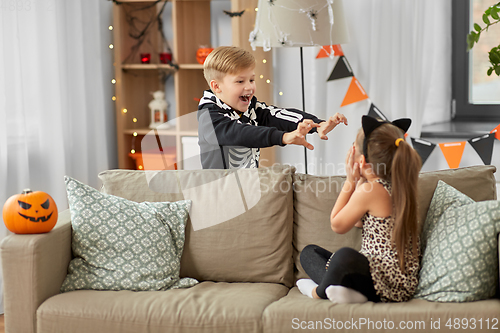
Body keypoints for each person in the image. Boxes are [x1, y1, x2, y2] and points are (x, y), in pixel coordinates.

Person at [297, 115, 422, 303]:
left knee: (342, 257)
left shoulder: (370, 190)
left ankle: (319, 292)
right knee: (311, 252)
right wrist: (361, 180)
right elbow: (357, 222)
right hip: (396, 283)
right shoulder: (398, 185)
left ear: (361, 160)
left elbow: (337, 224)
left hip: (382, 284)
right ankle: (349, 292)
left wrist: (350, 181)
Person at [197, 46, 348, 169]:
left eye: (251, 79)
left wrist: (317, 124)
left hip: (249, 190)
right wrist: (283, 137)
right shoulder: (208, 116)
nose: (249, 87)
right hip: (218, 196)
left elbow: (277, 115)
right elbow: (238, 133)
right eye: (240, 81)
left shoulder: (251, 108)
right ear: (216, 86)